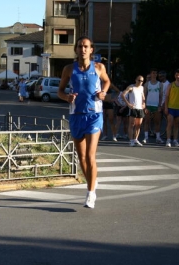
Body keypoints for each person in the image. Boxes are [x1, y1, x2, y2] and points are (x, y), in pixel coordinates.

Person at [57, 36, 111, 209]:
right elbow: (60, 91)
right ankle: (92, 183)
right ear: (76, 49)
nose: (83, 49)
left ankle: (90, 193)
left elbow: (107, 81)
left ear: (91, 49)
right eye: (80, 46)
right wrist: (66, 97)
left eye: (86, 46)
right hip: (76, 115)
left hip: (94, 115)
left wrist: (103, 92)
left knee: (90, 155)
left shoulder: (99, 67)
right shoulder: (68, 69)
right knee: (81, 158)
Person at [164, 69, 179, 147]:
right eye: (177, 75)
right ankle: (168, 140)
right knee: (170, 123)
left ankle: (175, 140)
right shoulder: (171, 85)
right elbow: (167, 96)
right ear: (175, 76)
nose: (178, 76)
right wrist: (166, 107)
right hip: (171, 107)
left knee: (177, 125)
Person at [121, 76, 146, 147]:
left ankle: (136, 139)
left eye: (142, 81)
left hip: (140, 108)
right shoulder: (131, 87)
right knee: (132, 124)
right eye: (139, 80)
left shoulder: (142, 88)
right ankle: (131, 140)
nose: (140, 82)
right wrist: (128, 104)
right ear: (135, 80)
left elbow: (143, 96)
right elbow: (123, 95)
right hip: (133, 108)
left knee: (138, 125)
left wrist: (144, 103)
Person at [143, 68, 164, 144]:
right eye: (153, 73)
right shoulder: (147, 84)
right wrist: (144, 106)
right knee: (147, 121)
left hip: (156, 105)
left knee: (157, 122)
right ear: (151, 74)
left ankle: (158, 137)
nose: (154, 74)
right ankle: (146, 137)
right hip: (148, 105)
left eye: (155, 73)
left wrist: (160, 105)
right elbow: (144, 95)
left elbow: (161, 96)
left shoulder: (160, 84)